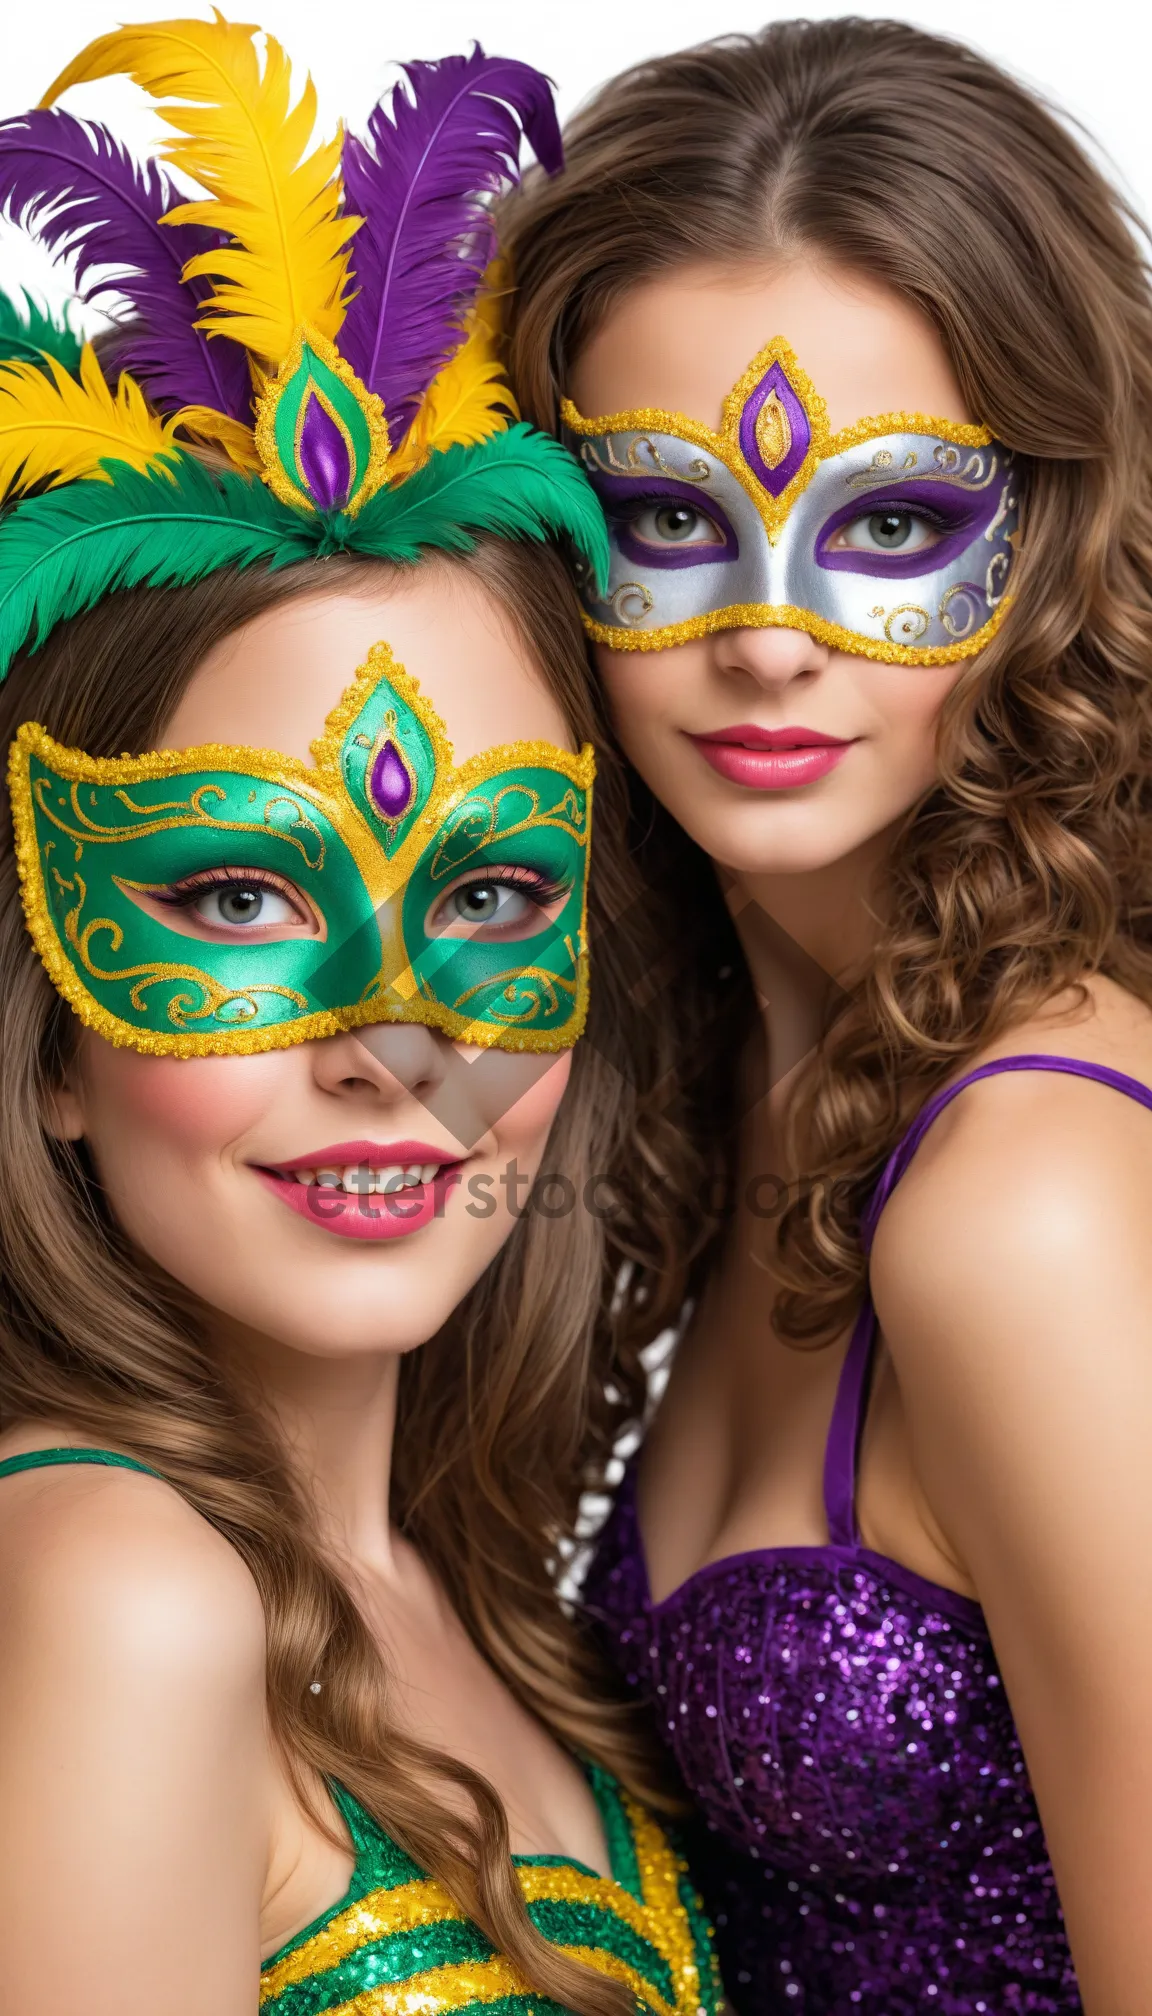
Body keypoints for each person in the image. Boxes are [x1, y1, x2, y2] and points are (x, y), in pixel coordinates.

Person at [0, 20, 723, 2016]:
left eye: (492, 896)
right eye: (237, 897)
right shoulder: (118, 1598)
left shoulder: (475, 1587)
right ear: (49, 1033)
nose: (392, 1048)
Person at [501, 17, 1152, 2014]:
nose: (769, 636)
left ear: (1050, 534)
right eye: (669, 520)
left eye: (886, 526)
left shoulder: (1026, 1195)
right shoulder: (721, 1090)